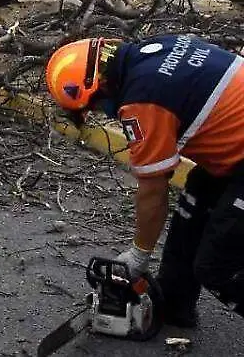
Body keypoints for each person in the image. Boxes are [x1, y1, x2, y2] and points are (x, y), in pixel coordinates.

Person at [45, 35, 244, 328]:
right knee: (197, 196)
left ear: (98, 88)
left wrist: (139, 253)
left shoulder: (143, 102)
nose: (99, 113)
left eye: (93, 108)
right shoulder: (155, 50)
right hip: (234, 155)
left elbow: (153, 189)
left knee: (216, 267)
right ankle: (175, 302)